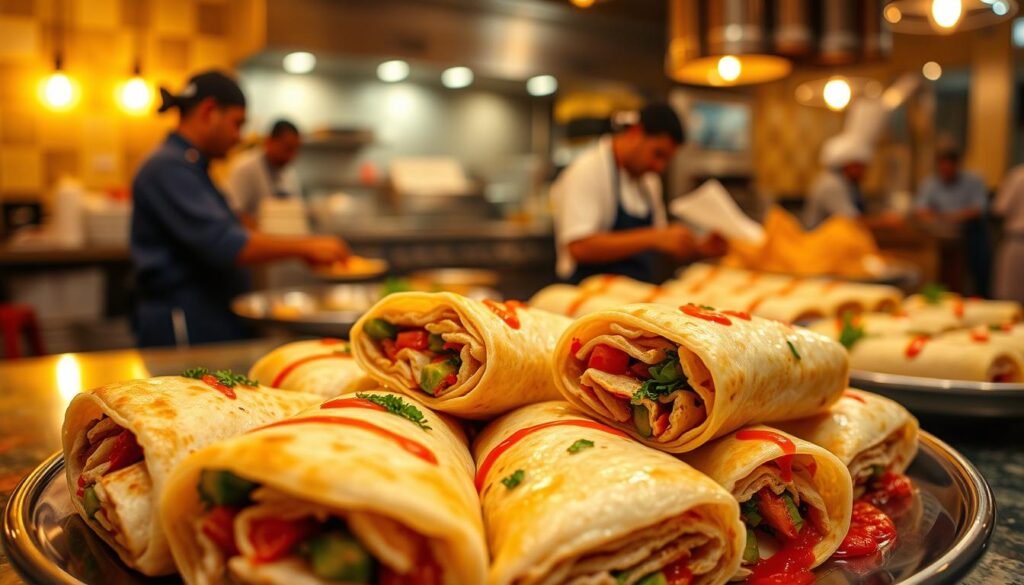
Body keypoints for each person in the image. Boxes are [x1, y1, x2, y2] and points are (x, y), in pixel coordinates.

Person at [131, 71, 350, 347]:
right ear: (209, 111)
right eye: (237, 123)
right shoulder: (168, 167)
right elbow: (224, 243)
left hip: (204, 315)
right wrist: (305, 247)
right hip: (183, 320)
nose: (239, 136)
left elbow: (232, 227)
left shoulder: (192, 166)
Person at [551, 102, 724, 284]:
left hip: (638, 291)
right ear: (636, 133)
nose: (659, 167)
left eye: (666, 160)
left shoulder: (649, 182)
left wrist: (699, 249)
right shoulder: (587, 170)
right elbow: (579, 247)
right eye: (658, 154)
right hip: (589, 290)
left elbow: (661, 245)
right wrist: (655, 237)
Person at [915, 148, 992, 297]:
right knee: (939, 271)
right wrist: (936, 218)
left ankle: (975, 296)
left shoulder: (973, 181)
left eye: (949, 168)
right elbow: (921, 209)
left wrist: (952, 216)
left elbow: (979, 209)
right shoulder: (931, 183)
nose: (946, 172)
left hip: (971, 233)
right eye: (942, 168)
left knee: (976, 274)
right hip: (941, 235)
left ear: (957, 166)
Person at [226, 119, 303, 227]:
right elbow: (232, 211)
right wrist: (260, 228)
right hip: (250, 235)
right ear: (269, 141)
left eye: (295, 150)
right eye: (287, 148)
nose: (291, 156)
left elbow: (296, 211)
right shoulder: (245, 167)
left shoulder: (289, 173)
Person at [803, 135, 871, 229]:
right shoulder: (831, 184)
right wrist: (885, 222)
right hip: (819, 237)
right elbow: (853, 222)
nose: (863, 172)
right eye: (859, 166)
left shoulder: (845, 183)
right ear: (846, 164)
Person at [994, 164, 1024, 302]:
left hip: (1017, 240)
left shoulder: (1018, 175)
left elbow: (1000, 209)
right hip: (1016, 238)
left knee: (1010, 299)